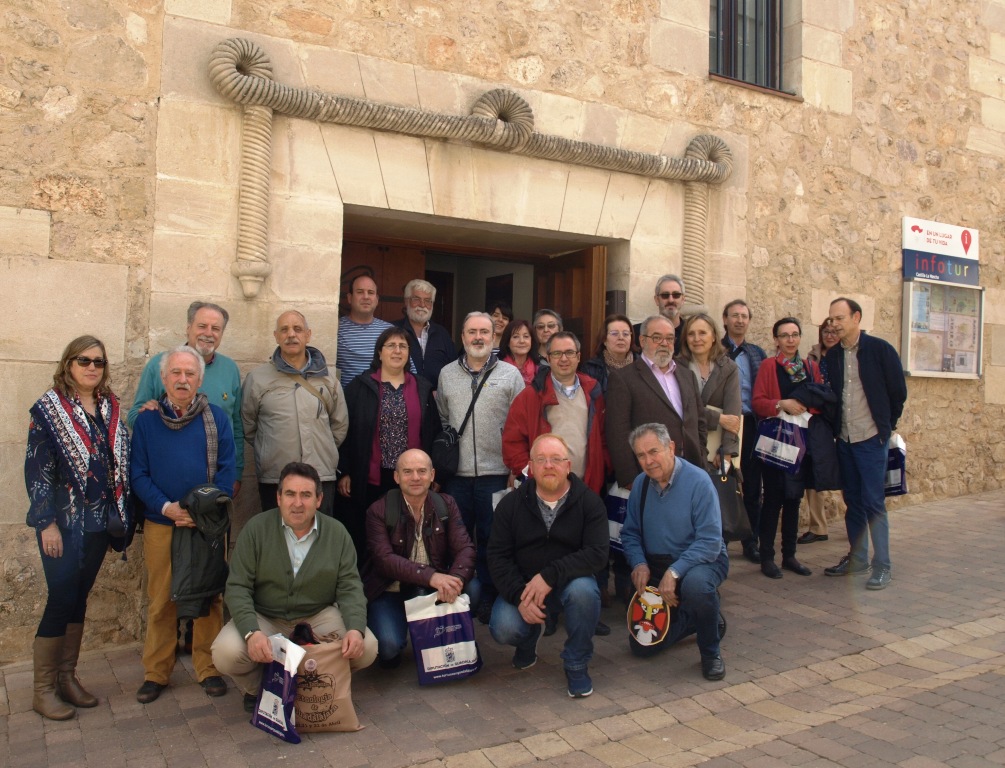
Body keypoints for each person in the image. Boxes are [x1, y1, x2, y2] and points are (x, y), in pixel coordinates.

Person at [212, 462, 377, 712]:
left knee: (367, 647)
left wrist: (355, 628)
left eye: (306, 495)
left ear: (319, 499)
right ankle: (260, 688)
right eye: (290, 494)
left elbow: (350, 587)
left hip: (317, 615)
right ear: (278, 498)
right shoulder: (256, 529)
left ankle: (313, 684)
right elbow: (238, 587)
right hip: (266, 614)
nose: (297, 503)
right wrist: (251, 632)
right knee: (226, 652)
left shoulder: (336, 533)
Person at [25, 336, 131, 720]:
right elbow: (37, 469)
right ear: (68, 363)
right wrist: (46, 523)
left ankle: (67, 678)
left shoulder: (109, 407)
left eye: (99, 362)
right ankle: (42, 689)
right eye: (83, 360)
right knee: (61, 596)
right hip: (63, 524)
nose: (91, 367)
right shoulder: (49, 410)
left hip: (100, 522)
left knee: (78, 597)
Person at [131, 345, 237, 703]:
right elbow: (138, 473)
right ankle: (156, 672)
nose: (182, 379)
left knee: (209, 596)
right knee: (162, 600)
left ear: (199, 380)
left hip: (205, 524)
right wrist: (167, 507)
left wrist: (198, 511)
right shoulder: (147, 421)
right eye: (175, 373)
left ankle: (208, 668)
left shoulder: (217, 419)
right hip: (162, 522)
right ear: (163, 379)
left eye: (190, 374)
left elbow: (227, 472)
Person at [488, 435, 608, 698]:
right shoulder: (511, 504)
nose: (548, 465)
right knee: (504, 628)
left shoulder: (590, 503)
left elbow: (597, 554)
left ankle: (576, 663)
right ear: (530, 467)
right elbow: (497, 557)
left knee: (585, 593)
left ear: (568, 466)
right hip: (524, 586)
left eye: (556, 459)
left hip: (570, 583)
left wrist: (550, 575)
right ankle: (528, 639)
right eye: (541, 460)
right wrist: (520, 596)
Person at [620, 423, 728, 681]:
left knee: (697, 586)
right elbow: (630, 533)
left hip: (701, 561)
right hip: (658, 564)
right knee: (641, 646)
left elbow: (710, 541)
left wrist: (676, 571)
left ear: (670, 448)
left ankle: (710, 651)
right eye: (641, 455)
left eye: (653, 451)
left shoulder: (699, 481)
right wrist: (638, 564)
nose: (648, 461)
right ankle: (701, 617)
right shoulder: (641, 484)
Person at [437, 312, 525, 621]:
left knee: (492, 538)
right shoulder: (446, 374)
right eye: (471, 331)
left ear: (493, 337)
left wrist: (516, 468)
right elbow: (444, 419)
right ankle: (461, 593)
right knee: (457, 538)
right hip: (457, 477)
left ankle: (489, 594)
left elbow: (520, 424)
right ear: (462, 337)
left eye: (484, 332)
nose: (478, 337)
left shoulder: (511, 375)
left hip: (496, 474)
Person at [338, 327, 441, 567]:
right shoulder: (360, 387)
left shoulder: (422, 388)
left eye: (403, 346)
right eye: (391, 346)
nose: (397, 351)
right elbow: (346, 430)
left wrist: (433, 471)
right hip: (370, 477)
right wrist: (346, 470)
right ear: (379, 353)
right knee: (370, 535)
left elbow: (433, 431)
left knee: (407, 535)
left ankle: (405, 584)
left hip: (411, 477)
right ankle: (368, 588)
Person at [363, 449, 477, 668]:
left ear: (432, 475)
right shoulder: (378, 511)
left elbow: (466, 549)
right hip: (391, 590)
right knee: (388, 646)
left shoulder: (446, 505)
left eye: (421, 471)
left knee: (475, 590)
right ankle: (411, 633)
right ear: (396, 477)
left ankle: (433, 633)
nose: (415, 477)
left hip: (431, 590)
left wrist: (455, 579)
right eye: (407, 472)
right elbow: (384, 560)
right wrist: (432, 576)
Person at [823, 298, 907, 590]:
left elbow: (898, 392)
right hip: (844, 439)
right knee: (853, 502)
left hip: (871, 439)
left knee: (874, 503)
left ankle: (882, 565)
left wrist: (886, 427)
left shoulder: (880, 350)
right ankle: (858, 559)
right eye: (831, 318)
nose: (833, 323)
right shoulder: (831, 357)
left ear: (856, 317)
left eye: (839, 318)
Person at [242, 310, 349, 518]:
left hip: (321, 475)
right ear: (276, 336)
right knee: (276, 540)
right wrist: (272, 447)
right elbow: (249, 425)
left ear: (308, 335)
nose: (291, 334)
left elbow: (339, 425)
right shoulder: (257, 379)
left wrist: (322, 448)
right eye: (284, 329)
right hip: (275, 477)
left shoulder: (328, 379)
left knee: (319, 540)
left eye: (297, 329)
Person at [127, 301, 244, 489]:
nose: (208, 333)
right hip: (166, 481)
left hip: (216, 484)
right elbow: (133, 416)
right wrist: (150, 413)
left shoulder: (230, 369)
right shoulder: (160, 365)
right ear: (188, 328)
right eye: (202, 326)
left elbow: (236, 424)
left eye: (215, 328)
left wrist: (236, 472)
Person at [751, 317, 820, 579]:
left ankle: (789, 555)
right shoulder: (769, 366)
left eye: (794, 334)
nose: (790, 340)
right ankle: (767, 557)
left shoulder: (810, 367)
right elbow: (758, 402)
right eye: (784, 335)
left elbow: (821, 398)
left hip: (802, 442)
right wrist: (782, 404)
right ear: (776, 339)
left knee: (794, 499)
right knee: (773, 500)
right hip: (777, 442)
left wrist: (805, 407)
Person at [606, 315, 707, 488]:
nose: (664, 343)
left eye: (669, 338)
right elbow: (617, 433)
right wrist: (631, 479)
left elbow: (699, 422)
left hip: (689, 470)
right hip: (648, 474)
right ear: (643, 340)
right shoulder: (623, 378)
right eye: (657, 337)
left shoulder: (687, 375)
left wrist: (701, 458)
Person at [502, 331, 608, 495]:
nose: (564, 359)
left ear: (578, 357)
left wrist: (600, 472)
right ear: (549, 358)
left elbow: (603, 439)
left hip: (586, 490)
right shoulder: (530, 396)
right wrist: (532, 473)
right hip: (543, 491)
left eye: (569, 353)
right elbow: (512, 443)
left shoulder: (593, 392)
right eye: (557, 353)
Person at [721, 299, 768, 564]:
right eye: (734, 316)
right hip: (725, 424)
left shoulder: (756, 352)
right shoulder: (716, 350)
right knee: (723, 483)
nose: (739, 320)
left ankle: (752, 542)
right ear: (725, 319)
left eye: (744, 316)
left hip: (750, 423)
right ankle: (722, 541)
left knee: (752, 486)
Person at [799, 318, 843, 544]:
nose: (830, 335)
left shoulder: (848, 357)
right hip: (817, 420)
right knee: (814, 471)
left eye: (835, 331)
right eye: (826, 331)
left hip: (842, 420)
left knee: (848, 473)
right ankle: (818, 527)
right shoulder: (811, 358)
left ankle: (857, 523)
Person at [678, 313, 742, 465]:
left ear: (713, 336)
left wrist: (726, 452)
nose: (696, 339)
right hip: (683, 448)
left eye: (702, 333)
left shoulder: (729, 368)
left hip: (715, 454)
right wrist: (718, 418)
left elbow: (732, 416)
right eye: (691, 334)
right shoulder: (676, 368)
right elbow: (680, 407)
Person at [394, 278, 457, 390]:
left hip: (435, 402)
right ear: (406, 301)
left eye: (428, 300)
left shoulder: (442, 333)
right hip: (402, 399)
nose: (422, 305)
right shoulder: (393, 331)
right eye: (416, 299)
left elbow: (455, 368)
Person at [337, 274, 394, 389]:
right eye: (360, 292)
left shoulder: (390, 331)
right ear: (349, 298)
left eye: (371, 292)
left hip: (380, 402)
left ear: (377, 299)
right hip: (347, 403)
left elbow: (408, 370)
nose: (366, 297)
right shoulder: (336, 329)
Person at [580, 313, 636, 394]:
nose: (621, 338)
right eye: (614, 333)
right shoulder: (591, 368)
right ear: (604, 339)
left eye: (626, 334)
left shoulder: (642, 365)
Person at [633, 275, 686, 356]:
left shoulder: (691, 333)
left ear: (683, 299)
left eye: (676, 295)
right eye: (665, 295)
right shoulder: (637, 332)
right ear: (657, 300)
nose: (671, 300)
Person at [500, 319, 538, 385]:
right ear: (508, 342)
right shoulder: (497, 367)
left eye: (526, 336)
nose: (521, 341)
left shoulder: (541, 369)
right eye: (516, 337)